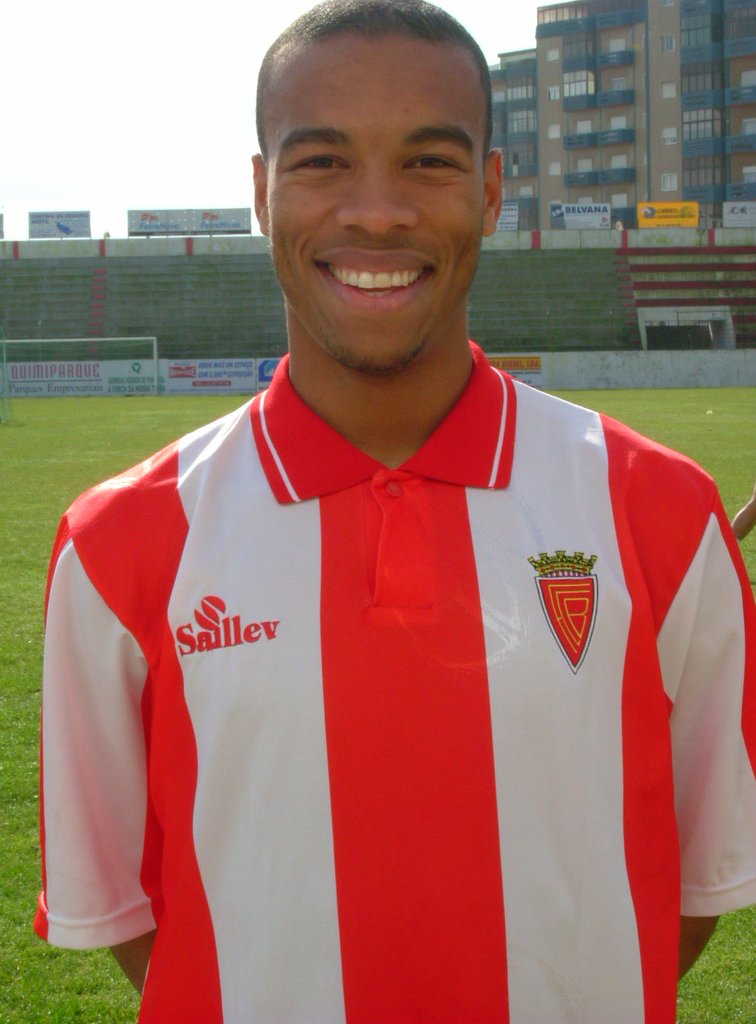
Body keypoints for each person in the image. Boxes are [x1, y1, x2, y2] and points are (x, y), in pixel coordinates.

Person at [35, 2, 756, 1022]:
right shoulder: (115, 546)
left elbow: (694, 885)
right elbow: (128, 910)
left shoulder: (665, 513)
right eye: (323, 161)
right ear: (261, 191)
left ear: (492, 191)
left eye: (428, 162)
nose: (377, 213)